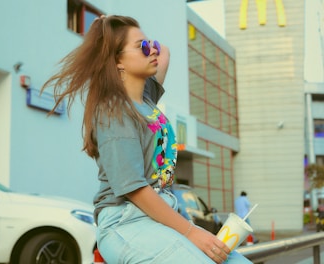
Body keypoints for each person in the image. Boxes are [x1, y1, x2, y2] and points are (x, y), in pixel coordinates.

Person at [42, 14, 252, 264]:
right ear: (117, 60)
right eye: (141, 46)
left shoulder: (147, 96)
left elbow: (165, 52)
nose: (151, 50)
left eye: (149, 43)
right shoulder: (114, 111)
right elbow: (134, 189)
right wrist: (192, 231)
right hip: (126, 223)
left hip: (158, 219)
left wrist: (113, 26)